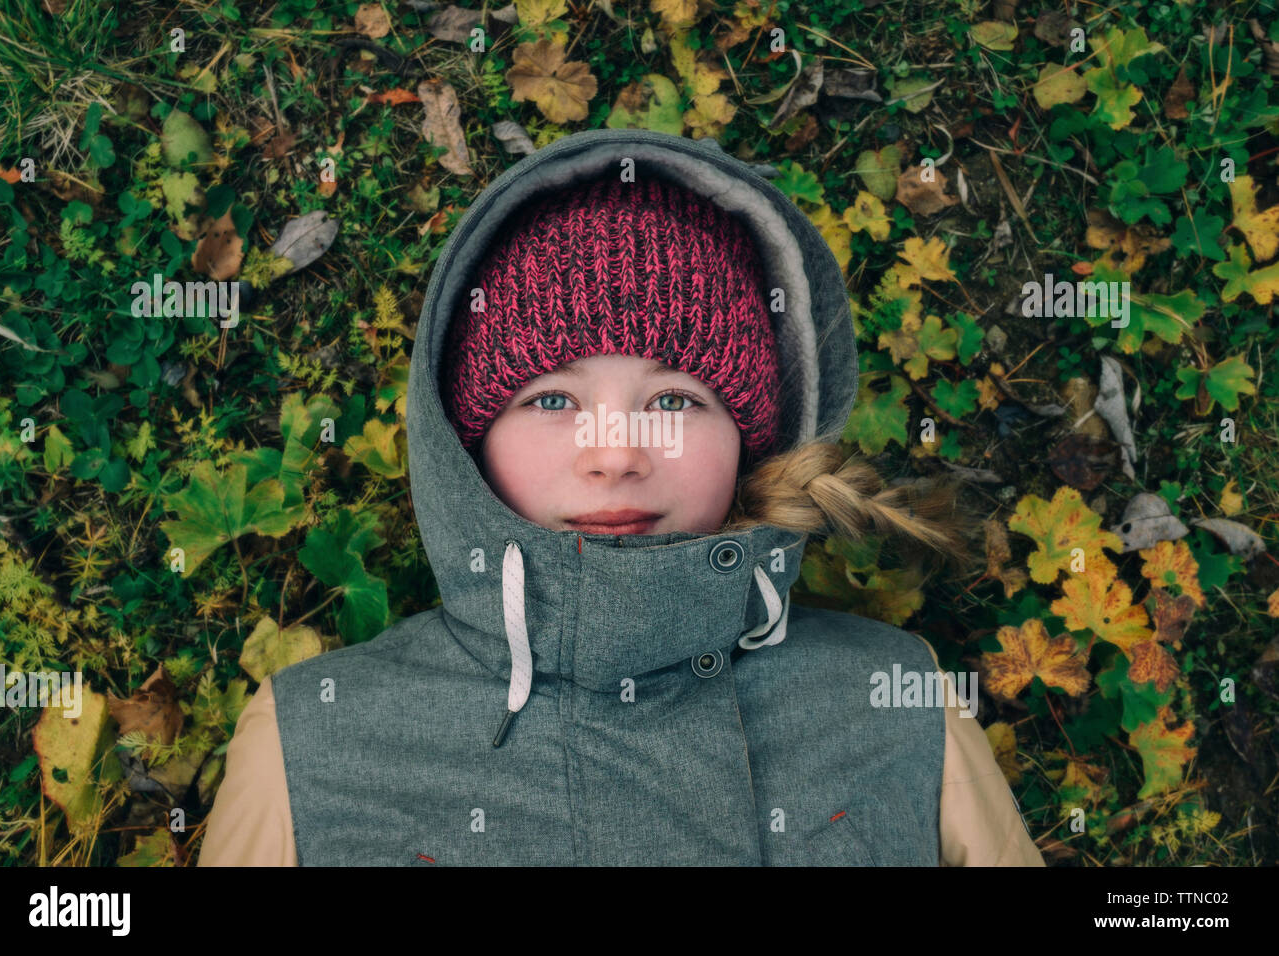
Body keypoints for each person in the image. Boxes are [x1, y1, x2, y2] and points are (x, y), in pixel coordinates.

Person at [198, 128, 1043, 866]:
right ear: (468, 441)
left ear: (752, 437)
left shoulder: (895, 699)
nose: (615, 458)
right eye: (552, 401)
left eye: (674, 400)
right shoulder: (312, 743)